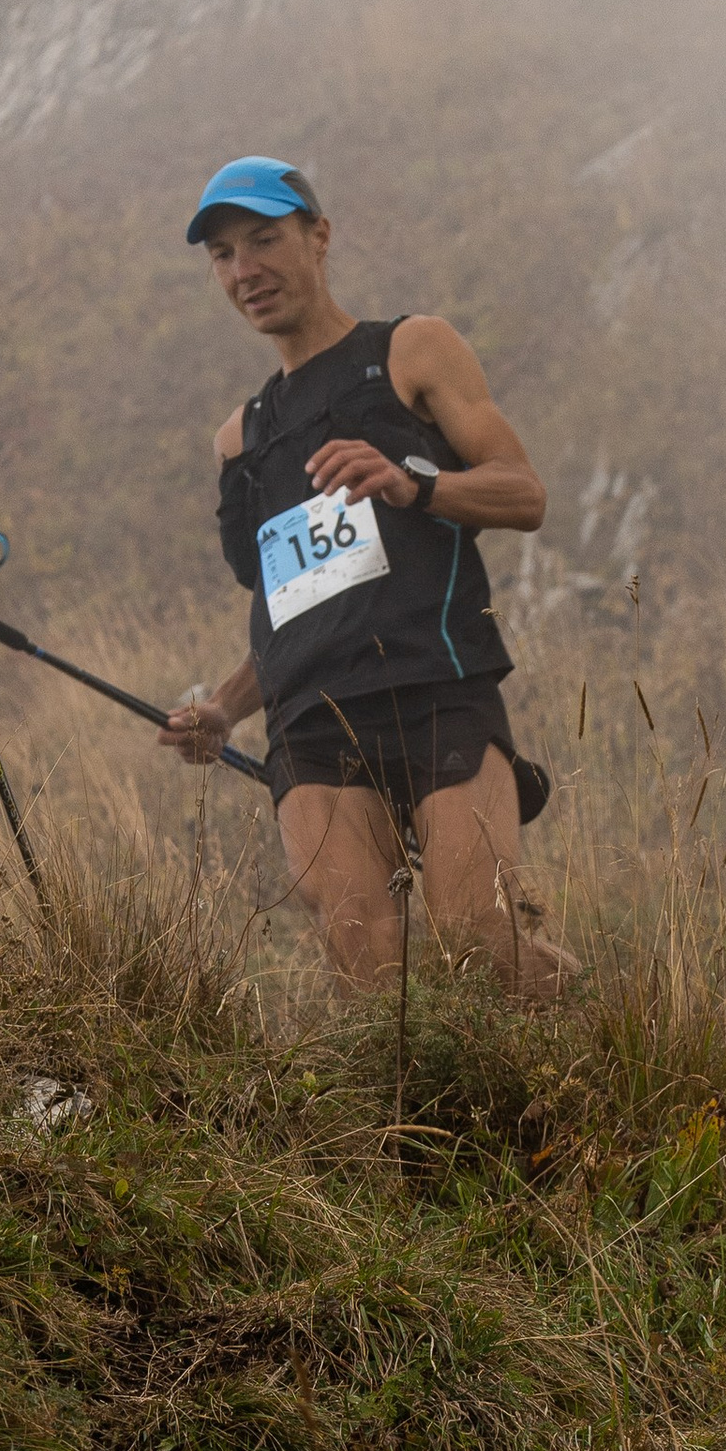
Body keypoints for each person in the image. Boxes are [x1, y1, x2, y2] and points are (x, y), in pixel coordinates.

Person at [160, 157, 567, 994]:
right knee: (368, 970)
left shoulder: (411, 350)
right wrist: (225, 708)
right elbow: (295, 609)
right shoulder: (240, 438)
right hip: (311, 723)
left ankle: (602, 1033)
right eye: (224, 255)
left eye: (264, 240)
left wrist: (416, 483)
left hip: (435, 687)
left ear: (319, 236)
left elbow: (523, 493)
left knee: (478, 949)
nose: (245, 270)